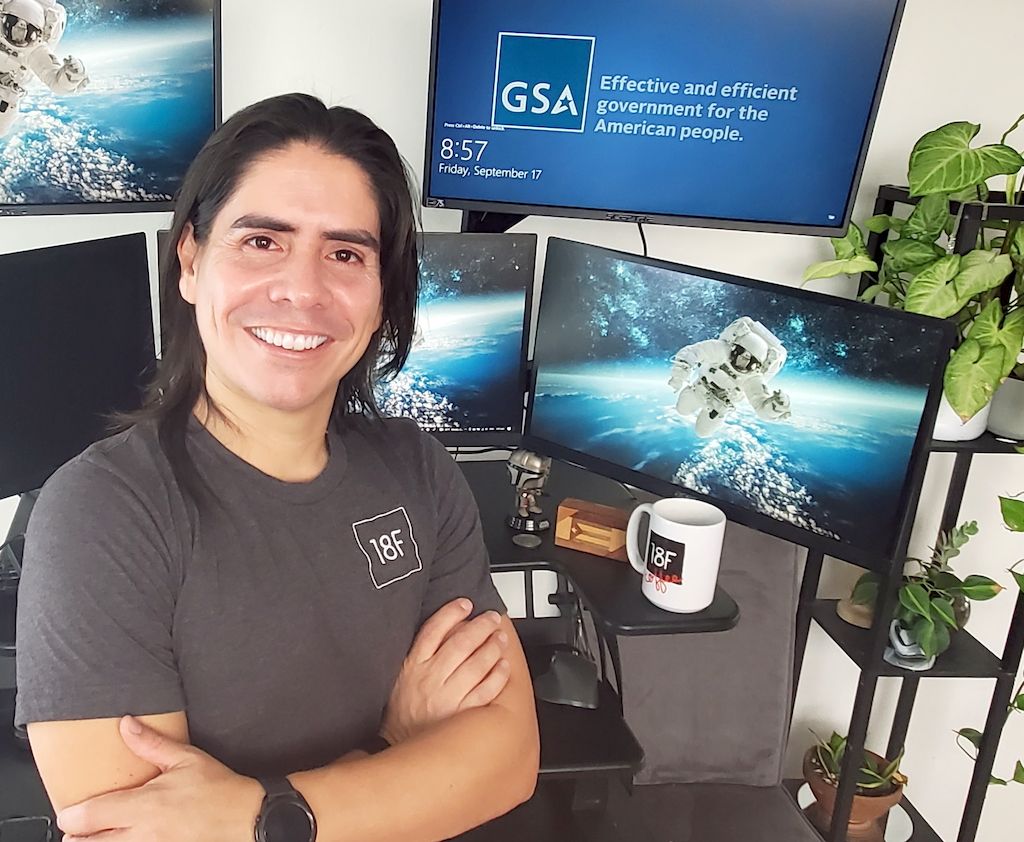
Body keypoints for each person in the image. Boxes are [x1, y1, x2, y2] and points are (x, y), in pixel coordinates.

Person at [14, 93, 539, 841]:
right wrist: (394, 747)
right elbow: (131, 834)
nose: (304, 290)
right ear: (190, 261)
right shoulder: (101, 513)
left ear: (383, 294)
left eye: (347, 253)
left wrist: (253, 815)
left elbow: (508, 759)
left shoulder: (419, 471)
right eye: (262, 241)